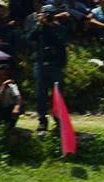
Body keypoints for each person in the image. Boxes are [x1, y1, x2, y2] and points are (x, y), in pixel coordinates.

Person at [27, 3, 67, 133]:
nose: (48, 17)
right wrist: (40, 25)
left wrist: (49, 26)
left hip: (55, 65)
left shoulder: (60, 28)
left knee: (58, 94)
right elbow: (28, 38)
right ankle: (42, 121)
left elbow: (59, 42)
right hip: (40, 64)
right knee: (41, 95)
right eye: (46, 14)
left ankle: (58, 120)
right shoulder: (39, 28)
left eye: (50, 14)